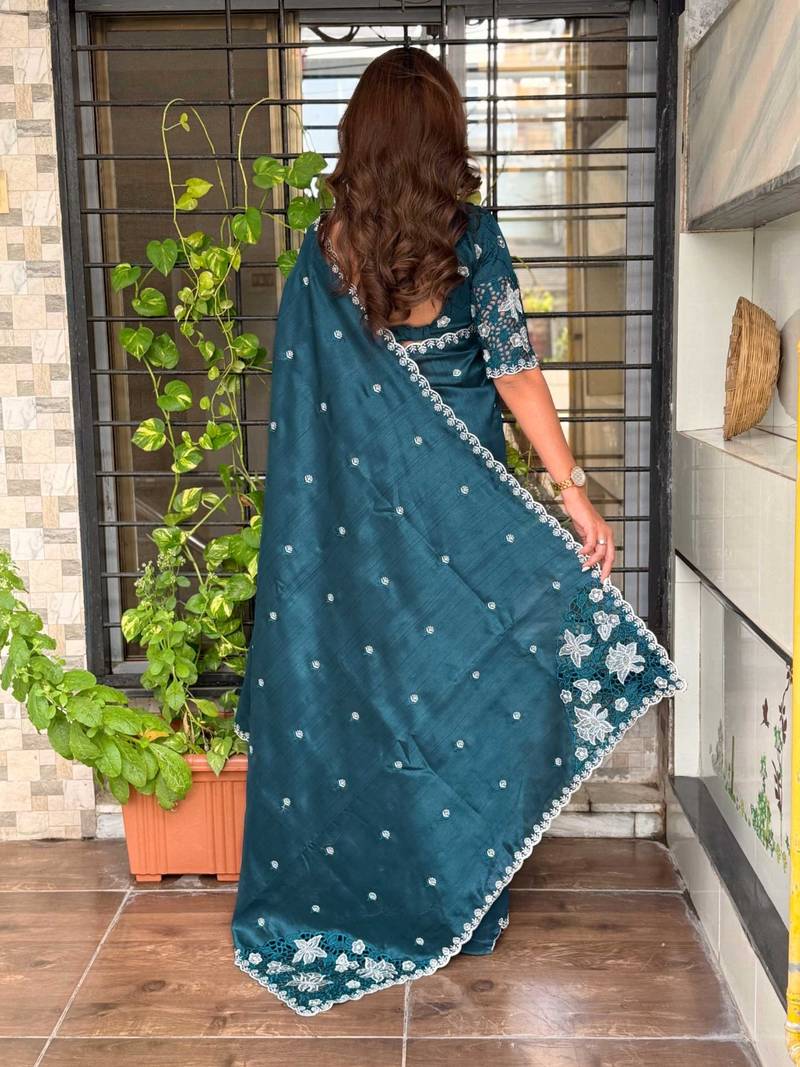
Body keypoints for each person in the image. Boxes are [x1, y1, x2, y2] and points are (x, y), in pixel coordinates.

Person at [231, 46, 683, 1016]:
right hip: (463, 514)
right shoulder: (470, 239)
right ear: (443, 137)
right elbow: (513, 371)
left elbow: (307, 410)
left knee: (381, 699)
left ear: (360, 136)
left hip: (361, 528)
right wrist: (572, 488)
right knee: (463, 687)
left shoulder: (326, 249)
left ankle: (407, 884)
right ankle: (461, 892)